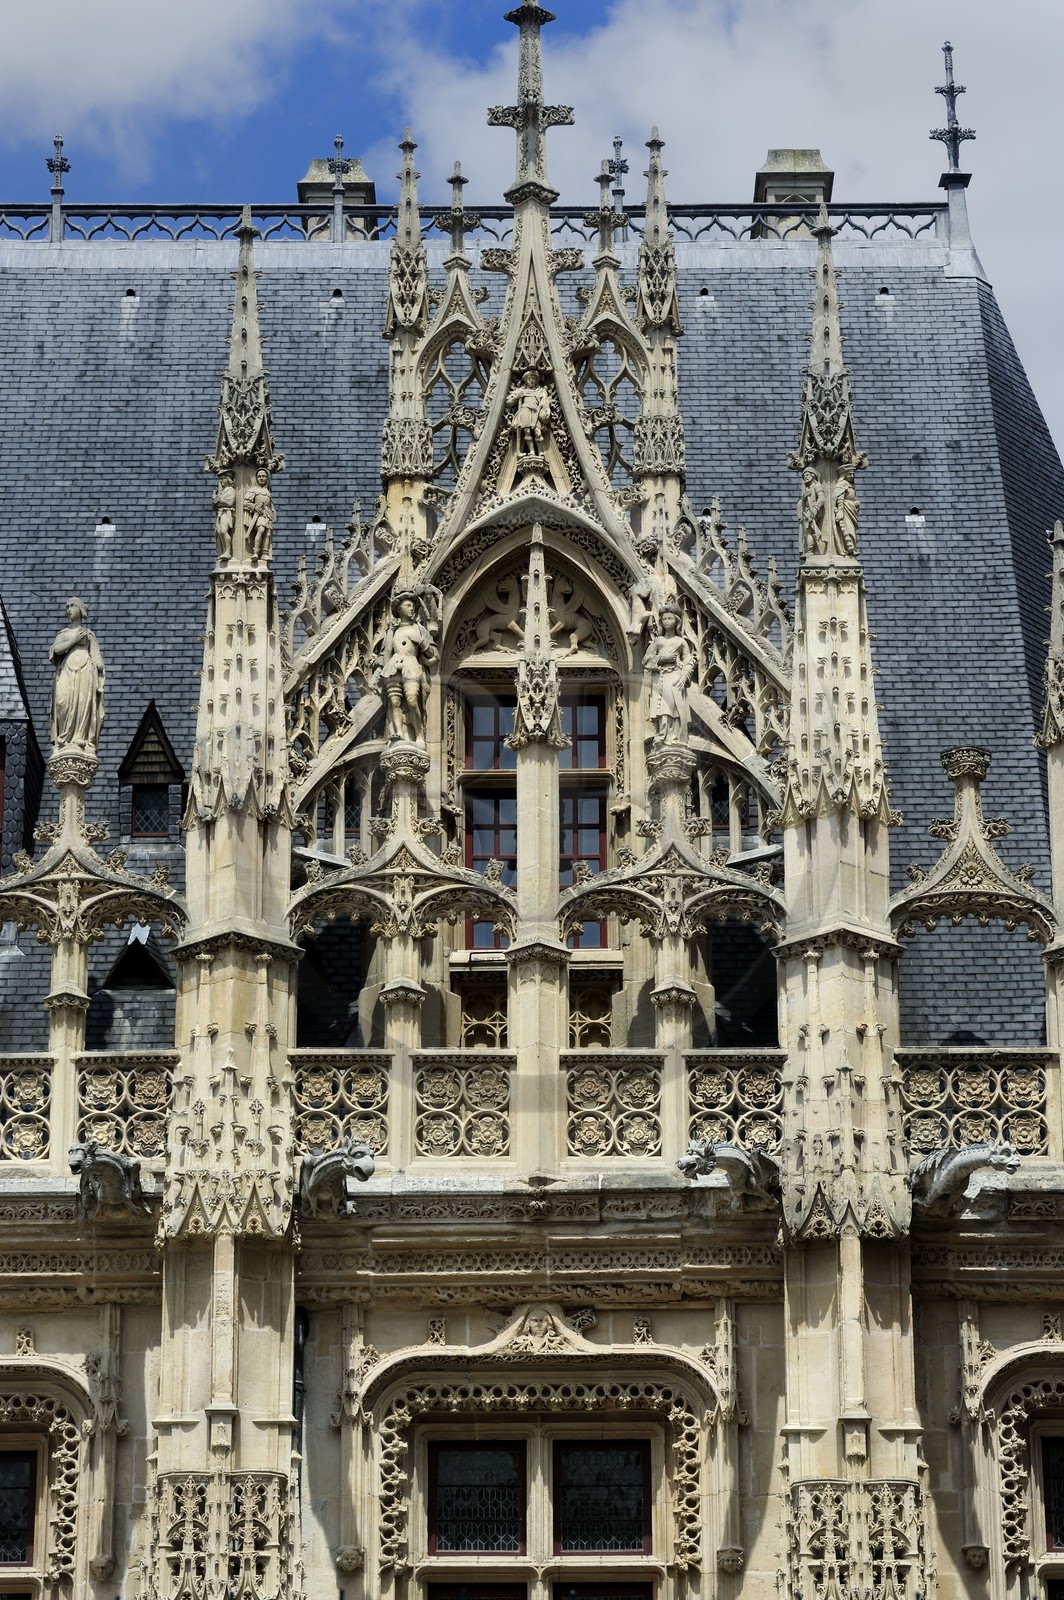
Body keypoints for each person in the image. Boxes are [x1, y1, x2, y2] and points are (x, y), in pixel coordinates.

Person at [380, 593, 439, 744]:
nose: (412, 608)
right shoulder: (392, 632)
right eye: (408, 606)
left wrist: (421, 642)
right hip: (393, 667)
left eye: (413, 606)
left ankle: (419, 734)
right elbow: (386, 655)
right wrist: (379, 676)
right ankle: (398, 733)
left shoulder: (419, 629)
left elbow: (433, 654)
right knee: (394, 702)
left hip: (412, 665)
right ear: (399, 609)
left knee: (412, 700)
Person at [50, 597, 105, 755]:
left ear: (81, 609)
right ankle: (63, 736)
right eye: (67, 606)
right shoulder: (64, 634)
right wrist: (74, 640)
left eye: (72, 606)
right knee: (62, 701)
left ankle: (80, 736)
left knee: (82, 702)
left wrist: (100, 665)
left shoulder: (88, 634)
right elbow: (57, 650)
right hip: (66, 670)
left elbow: (96, 655)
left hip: (85, 671)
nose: (69, 609)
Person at [643, 602, 694, 746]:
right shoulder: (658, 641)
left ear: (676, 621)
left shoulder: (681, 641)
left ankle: (675, 736)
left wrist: (684, 677)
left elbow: (689, 661)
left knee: (675, 708)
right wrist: (662, 659)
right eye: (664, 619)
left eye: (670, 618)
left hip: (676, 676)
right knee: (664, 708)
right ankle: (663, 734)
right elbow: (646, 660)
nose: (667, 621)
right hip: (661, 677)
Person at [507, 369, 551, 456]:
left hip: (535, 413)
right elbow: (508, 402)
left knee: (537, 432)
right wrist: (517, 397)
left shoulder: (541, 391)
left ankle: (541, 451)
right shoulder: (522, 391)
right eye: (530, 378)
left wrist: (542, 404)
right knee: (527, 431)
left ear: (537, 380)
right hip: (525, 411)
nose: (531, 380)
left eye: (534, 378)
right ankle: (532, 451)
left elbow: (545, 402)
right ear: (526, 380)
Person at [212, 472, 236, 558]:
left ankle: (228, 552)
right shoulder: (221, 492)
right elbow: (214, 505)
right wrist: (216, 500)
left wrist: (218, 500)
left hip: (227, 513)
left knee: (223, 531)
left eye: (223, 478)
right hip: (220, 513)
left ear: (228, 479)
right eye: (220, 479)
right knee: (219, 532)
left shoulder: (231, 490)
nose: (221, 481)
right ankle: (223, 551)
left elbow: (230, 502)